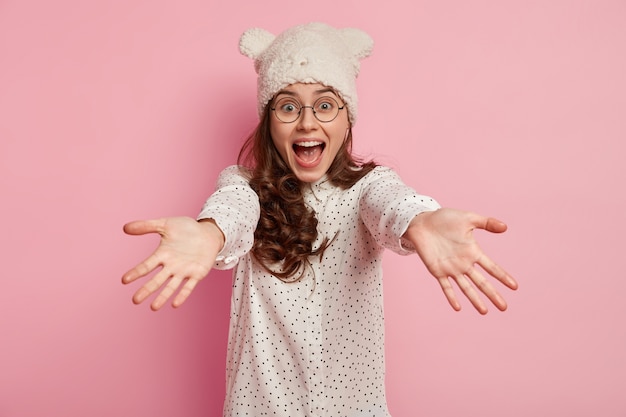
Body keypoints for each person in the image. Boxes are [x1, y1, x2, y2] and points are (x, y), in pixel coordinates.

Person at [122, 22, 518, 417]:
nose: (307, 122)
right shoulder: (244, 187)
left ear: (348, 119)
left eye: (326, 105)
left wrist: (421, 220)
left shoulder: (368, 187)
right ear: (269, 121)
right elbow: (232, 209)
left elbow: (392, 204)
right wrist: (209, 234)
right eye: (289, 106)